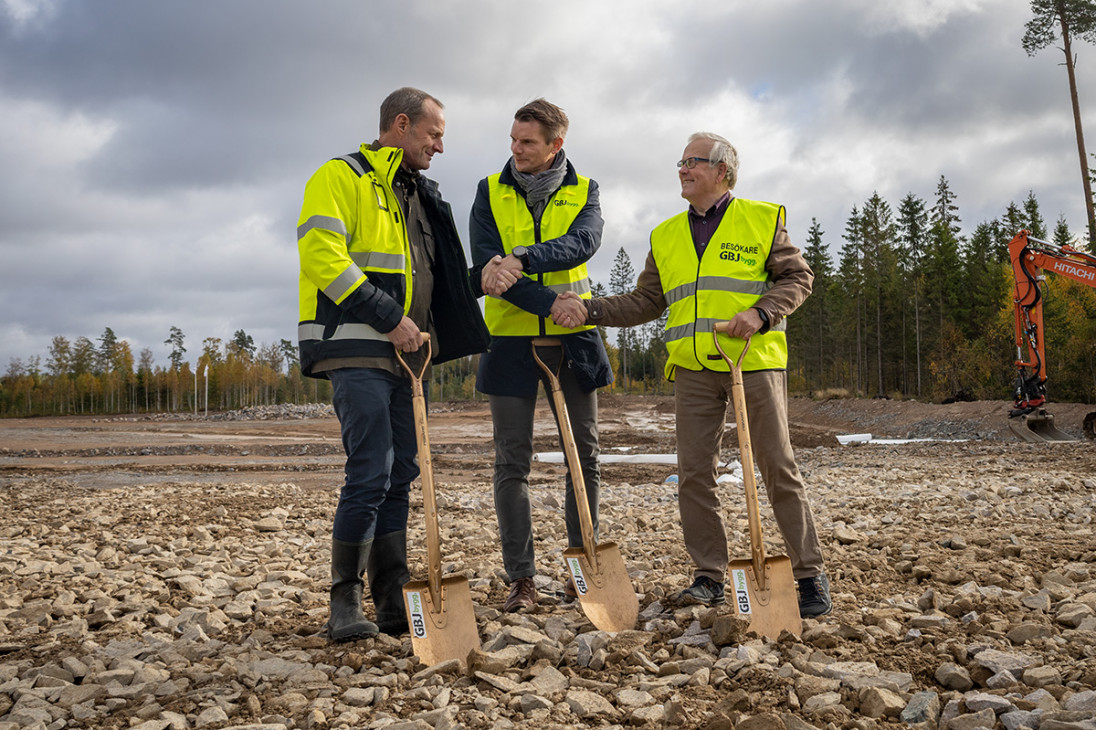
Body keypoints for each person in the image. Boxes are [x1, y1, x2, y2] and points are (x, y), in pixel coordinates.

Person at [554, 132, 831, 618]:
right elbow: (644, 301)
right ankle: (709, 575)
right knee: (693, 475)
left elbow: (798, 278)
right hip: (693, 368)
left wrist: (762, 313)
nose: (682, 169)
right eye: (680, 162)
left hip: (752, 361)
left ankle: (809, 576)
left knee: (776, 467)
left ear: (722, 170)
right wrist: (590, 308)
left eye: (693, 162)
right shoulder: (665, 235)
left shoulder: (763, 220)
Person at [296, 87, 489, 642]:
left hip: (408, 357)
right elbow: (322, 257)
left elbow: (438, 280)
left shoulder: (421, 196)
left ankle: (392, 601)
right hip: (357, 347)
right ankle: (343, 605)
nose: (441, 147)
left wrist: (478, 282)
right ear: (400, 125)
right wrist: (390, 318)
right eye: (434, 135)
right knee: (371, 472)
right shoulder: (341, 177)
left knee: (402, 472)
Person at [470, 99, 613, 613]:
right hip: (509, 342)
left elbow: (582, 243)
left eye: (527, 142)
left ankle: (584, 568)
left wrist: (525, 257)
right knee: (512, 462)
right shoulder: (488, 191)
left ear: (556, 145)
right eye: (512, 139)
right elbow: (491, 274)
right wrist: (550, 301)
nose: (516, 150)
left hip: (575, 343)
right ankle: (522, 580)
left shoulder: (585, 190)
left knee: (586, 457)